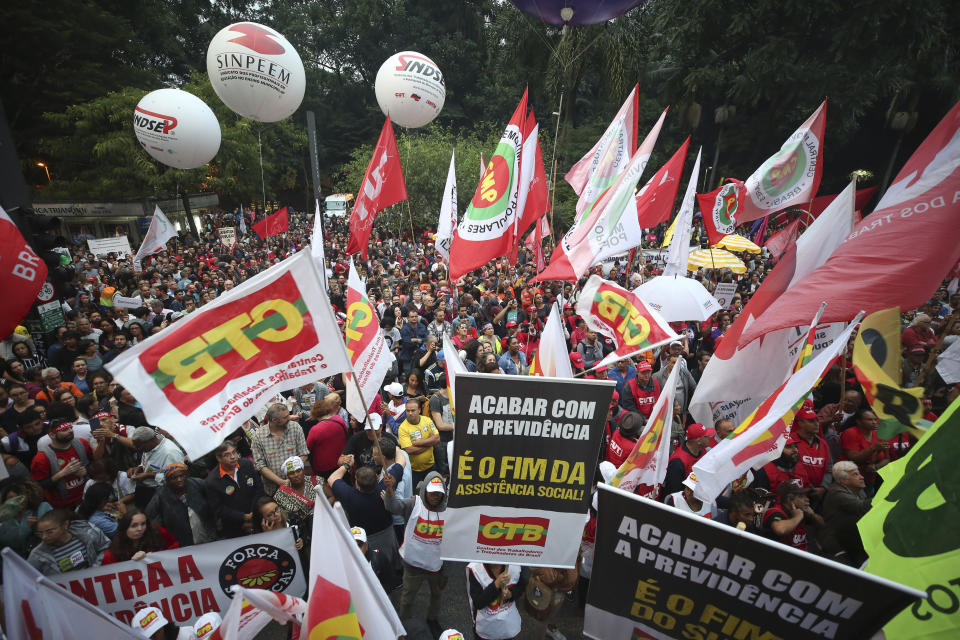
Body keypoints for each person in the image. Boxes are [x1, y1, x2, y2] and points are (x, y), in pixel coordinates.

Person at [383, 472, 449, 637]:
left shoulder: (449, 510)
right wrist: (389, 490)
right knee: (407, 597)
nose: (435, 496)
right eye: (432, 491)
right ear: (425, 489)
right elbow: (393, 507)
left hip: (436, 568)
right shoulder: (414, 503)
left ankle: (432, 620)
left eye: (439, 493)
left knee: (437, 596)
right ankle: (403, 624)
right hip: (413, 566)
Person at [328, 463, 402, 589]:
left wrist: (347, 465)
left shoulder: (349, 496)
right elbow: (401, 461)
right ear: (377, 479)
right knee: (390, 567)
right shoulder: (384, 488)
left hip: (365, 542)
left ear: (357, 483)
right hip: (387, 538)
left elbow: (332, 479)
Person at [31, 418, 100, 509]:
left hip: (87, 496)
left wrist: (87, 470)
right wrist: (62, 474)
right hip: (62, 504)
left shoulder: (81, 443)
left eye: (70, 428)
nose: (71, 431)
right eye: (64, 430)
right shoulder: (41, 458)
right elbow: (38, 486)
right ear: (52, 435)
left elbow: (94, 463)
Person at [204, 440, 265, 538]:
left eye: (234, 452)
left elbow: (259, 489)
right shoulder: (212, 481)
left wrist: (253, 514)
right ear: (219, 458)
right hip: (234, 528)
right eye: (227, 455)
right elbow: (219, 509)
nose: (233, 457)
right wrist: (244, 517)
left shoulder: (247, 464)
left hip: (258, 518)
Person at [145, 462, 216, 547]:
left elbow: (214, 499)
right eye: (174, 478)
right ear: (167, 481)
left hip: (207, 534)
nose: (179, 479)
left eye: (181, 476)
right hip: (182, 542)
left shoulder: (197, 484)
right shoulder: (161, 495)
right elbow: (149, 515)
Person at [818, 461, 872, 566]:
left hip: (853, 542)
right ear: (843, 480)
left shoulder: (859, 491)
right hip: (838, 545)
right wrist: (884, 496)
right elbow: (859, 507)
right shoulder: (836, 492)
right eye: (856, 474)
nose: (862, 477)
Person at [28, 508, 111, 575]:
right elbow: (28, 576)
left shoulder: (88, 534)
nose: (44, 537)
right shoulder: (37, 555)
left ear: (65, 525)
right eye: (40, 533)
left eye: (49, 532)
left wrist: (95, 570)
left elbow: (105, 547)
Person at [252, 403, 309, 495]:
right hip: (273, 488)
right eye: (285, 417)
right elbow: (260, 465)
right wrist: (281, 482)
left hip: (297, 485)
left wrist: (294, 474)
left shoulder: (295, 428)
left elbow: (304, 454)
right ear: (274, 420)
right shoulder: (259, 436)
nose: (289, 418)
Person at [466, 562, 527, 640]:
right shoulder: (475, 569)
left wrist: (511, 594)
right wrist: (496, 584)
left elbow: (521, 587)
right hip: (486, 627)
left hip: (508, 626)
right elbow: (478, 603)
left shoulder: (515, 564)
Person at [128, 427, 186, 508]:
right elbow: (146, 462)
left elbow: (177, 480)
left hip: (164, 494)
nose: (138, 450)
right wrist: (139, 468)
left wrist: (148, 475)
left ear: (150, 440)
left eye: (140, 447)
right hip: (147, 490)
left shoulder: (170, 453)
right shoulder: (148, 447)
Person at [101, 508, 179, 563]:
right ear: (124, 528)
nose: (140, 529)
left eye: (143, 524)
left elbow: (175, 546)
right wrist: (131, 564)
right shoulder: (112, 553)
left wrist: (155, 556)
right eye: (134, 526)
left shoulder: (157, 532)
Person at [763, 483, 823, 551]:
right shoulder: (776, 511)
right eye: (801, 496)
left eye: (806, 496)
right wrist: (798, 516)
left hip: (804, 553)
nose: (807, 499)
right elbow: (780, 530)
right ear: (790, 499)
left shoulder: (802, 510)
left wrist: (813, 514)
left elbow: (822, 525)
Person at [0, 480, 53, 556]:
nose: (15, 502)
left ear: (28, 497)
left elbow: (55, 531)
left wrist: (37, 527)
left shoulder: (43, 508)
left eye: (19, 498)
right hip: (24, 562)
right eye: (10, 498)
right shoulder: (5, 521)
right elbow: (11, 545)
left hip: (48, 554)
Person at [305, 394, 353, 479]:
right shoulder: (339, 420)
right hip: (340, 463)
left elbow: (307, 448)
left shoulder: (315, 430)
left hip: (323, 467)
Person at [840, 408, 887, 493]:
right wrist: (872, 448)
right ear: (859, 421)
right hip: (850, 480)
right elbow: (854, 458)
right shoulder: (850, 433)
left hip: (870, 480)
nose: (874, 422)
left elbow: (887, 458)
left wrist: (876, 467)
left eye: (875, 419)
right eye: (869, 420)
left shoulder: (879, 434)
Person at [661, 423, 714, 497]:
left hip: (701, 492)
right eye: (706, 436)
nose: (710, 437)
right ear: (698, 441)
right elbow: (675, 493)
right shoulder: (678, 462)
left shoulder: (703, 450)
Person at [397, 397, 440, 486]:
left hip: (431, 466)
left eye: (413, 410)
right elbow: (409, 450)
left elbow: (437, 438)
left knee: (433, 490)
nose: (410, 413)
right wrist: (429, 443)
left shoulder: (427, 420)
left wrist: (418, 443)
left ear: (419, 410)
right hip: (413, 470)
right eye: (407, 411)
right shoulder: (403, 428)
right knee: (410, 493)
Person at [791, 408, 831, 499]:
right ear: (800, 423)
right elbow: (791, 469)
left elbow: (829, 468)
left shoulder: (823, 444)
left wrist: (823, 487)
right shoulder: (790, 441)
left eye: (817, 420)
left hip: (820, 493)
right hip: (798, 494)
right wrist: (811, 489)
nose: (816, 424)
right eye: (811, 421)